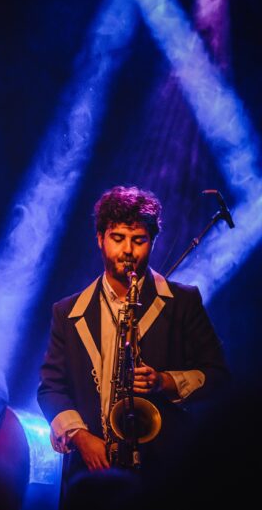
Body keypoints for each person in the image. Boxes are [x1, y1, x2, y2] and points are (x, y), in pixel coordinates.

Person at [37, 186, 229, 497]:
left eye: (138, 240)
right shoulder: (67, 311)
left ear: (152, 242)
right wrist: (81, 436)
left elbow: (218, 377)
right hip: (92, 474)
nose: (128, 250)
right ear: (100, 238)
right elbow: (50, 388)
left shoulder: (183, 301)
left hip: (165, 472)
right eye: (118, 238)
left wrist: (165, 381)